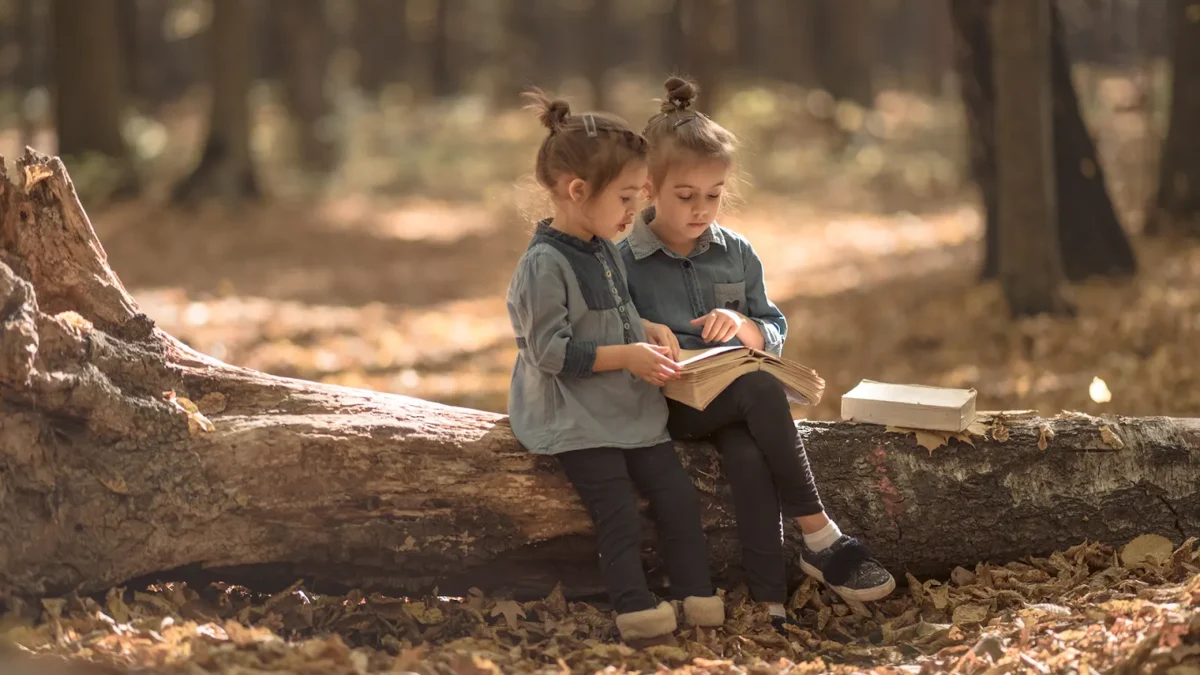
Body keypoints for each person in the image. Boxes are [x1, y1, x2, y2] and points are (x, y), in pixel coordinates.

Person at [618, 77, 896, 630]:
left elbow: (772, 324)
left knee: (747, 453)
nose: (702, 209)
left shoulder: (737, 252)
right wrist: (643, 328)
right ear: (649, 187)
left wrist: (747, 326)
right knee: (762, 390)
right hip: (667, 404)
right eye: (685, 196)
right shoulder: (623, 258)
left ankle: (769, 602)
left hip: (731, 403)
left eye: (715, 194)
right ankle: (821, 535)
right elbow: (606, 325)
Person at [505, 89, 725, 646]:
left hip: (625, 402)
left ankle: (696, 591)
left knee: (675, 494)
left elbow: (618, 306)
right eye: (628, 196)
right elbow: (550, 353)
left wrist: (644, 327)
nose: (637, 210)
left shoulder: (602, 243)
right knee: (618, 509)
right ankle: (633, 604)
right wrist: (626, 355)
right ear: (578, 192)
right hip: (574, 414)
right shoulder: (544, 265)